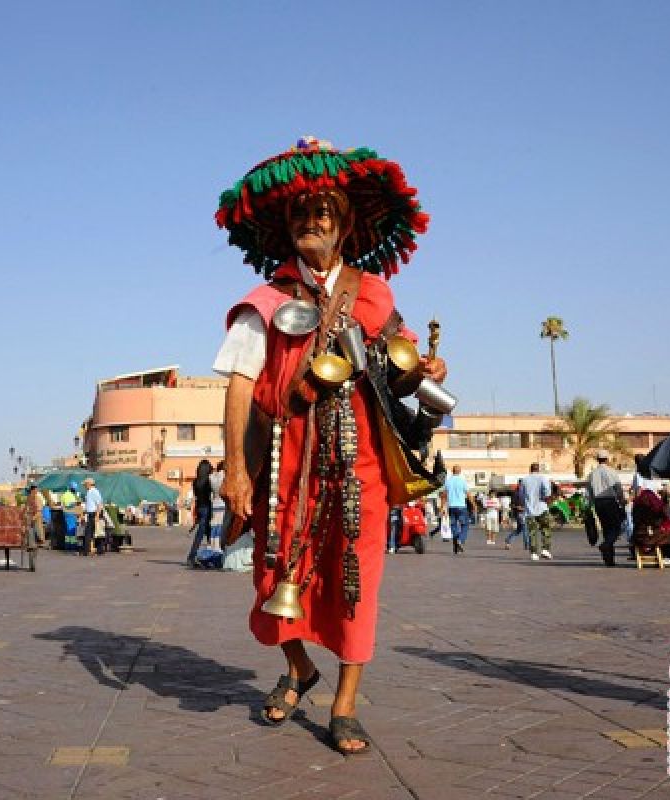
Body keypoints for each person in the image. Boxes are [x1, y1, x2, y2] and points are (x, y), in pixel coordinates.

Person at [214, 137, 440, 755]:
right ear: (285, 228)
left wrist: (424, 371)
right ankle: (299, 667)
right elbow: (238, 386)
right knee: (268, 574)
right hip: (285, 466)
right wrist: (236, 471)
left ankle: (343, 705)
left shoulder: (374, 297)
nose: (311, 222)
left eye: (324, 212)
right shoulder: (268, 300)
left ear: (344, 225)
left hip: (358, 467)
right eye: (300, 214)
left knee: (355, 581)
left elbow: (401, 367)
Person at [585, 449, 626, 567]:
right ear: (607, 459)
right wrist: (622, 503)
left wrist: (590, 506)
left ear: (597, 460)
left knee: (606, 529)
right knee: (616, 528)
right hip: (610, 502)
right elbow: (618, 489)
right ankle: (607, 545)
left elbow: (589, 493)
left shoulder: (592, 474)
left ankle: (609, 559)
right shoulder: (612, 472)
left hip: (598, 503)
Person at [518, 463, 553, 561]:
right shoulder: (543, 478)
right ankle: (545, 549)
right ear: (538, 470)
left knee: (532, 532)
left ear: (530, 469)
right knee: (545, 529)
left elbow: (521, 495)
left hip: (529, 510)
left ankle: (533, 553)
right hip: (542, 508)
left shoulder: (524, 480)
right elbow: (547, 492)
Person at [186, 459, 214, 567]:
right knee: (203, 533)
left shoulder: (196, 482)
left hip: (199, 507)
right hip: (207, 507)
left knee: (207, 534)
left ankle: (209, 556)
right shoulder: (208, 481)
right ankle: (192, 556)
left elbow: (196, 496)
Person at [444, 465, 470, 554]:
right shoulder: (462, 481)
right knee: (465, 525)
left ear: (452, 471)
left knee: (453, 526)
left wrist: (442, 506)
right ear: (460, 471)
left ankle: (456, 548)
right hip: (461, 507)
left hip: (451, 507)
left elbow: (444, 495)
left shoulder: (448, 481)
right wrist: (474, 505)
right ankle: (460, 540)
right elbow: (468, 494)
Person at [81, 478, 106, 556]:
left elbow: (99, 504)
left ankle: (88, 550)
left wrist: (97, 516)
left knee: (91, 532)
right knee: (95, 532)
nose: (84, 486)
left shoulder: (94, 492)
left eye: (85, 484)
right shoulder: (89, 492)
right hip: (91, 513)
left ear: (89, 484)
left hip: (94, 513)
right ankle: (99, 550)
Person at [210, 461, 227, 549]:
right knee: (221, 526)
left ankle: (213, 546)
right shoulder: (224, 476)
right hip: (223, 504)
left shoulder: (212, 477)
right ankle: (219, 547)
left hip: (215, 504)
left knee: (214, 526)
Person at [26, 483, 46, 548]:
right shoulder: (29, 497)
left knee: (38, 529)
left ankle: (40, 542)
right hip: (31, 514)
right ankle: (31, 543)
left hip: (37, 514)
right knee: (30, 529)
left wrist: (34, 517)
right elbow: (27, 507)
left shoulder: (37, 497)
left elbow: (39, 509)